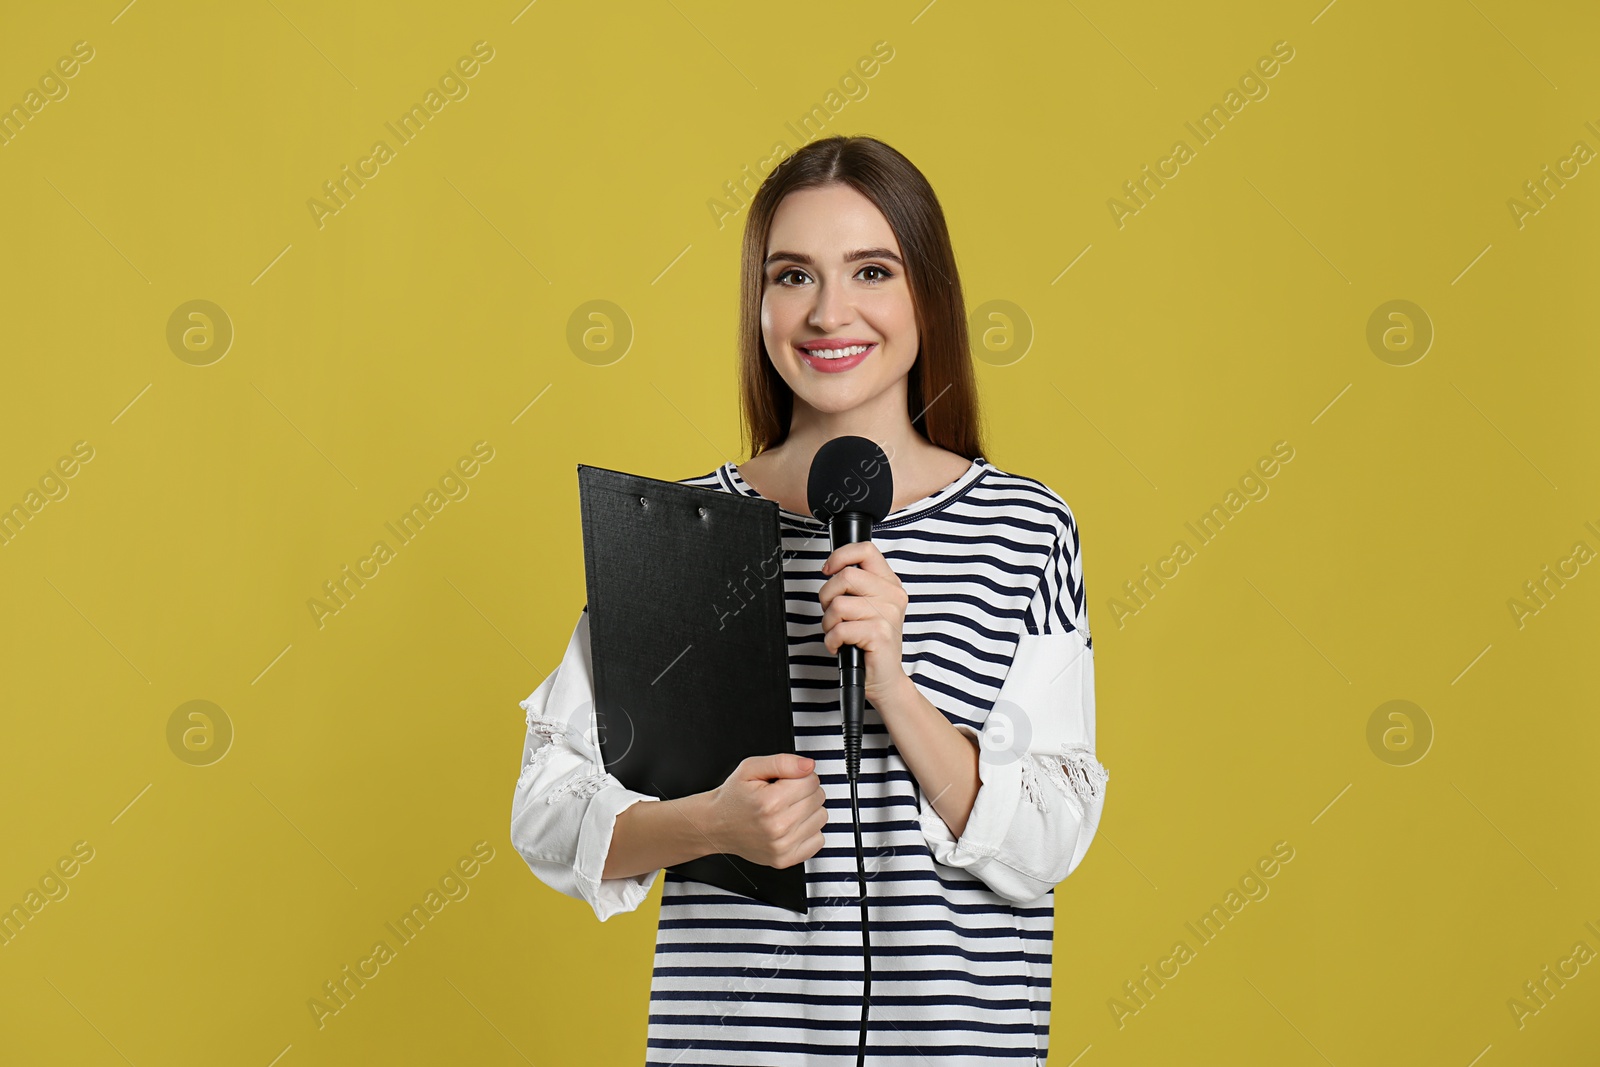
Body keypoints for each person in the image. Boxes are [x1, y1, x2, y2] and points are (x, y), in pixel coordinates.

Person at [510, 134, 1109, 1065]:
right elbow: (547, 813)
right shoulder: (679, 532)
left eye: (871, 270)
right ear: (758, 303)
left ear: (928, 296)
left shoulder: (1024, 527)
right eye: (794, 276)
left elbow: (1051, 837)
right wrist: (713, 821)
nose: (832, 311)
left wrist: (899, 691)